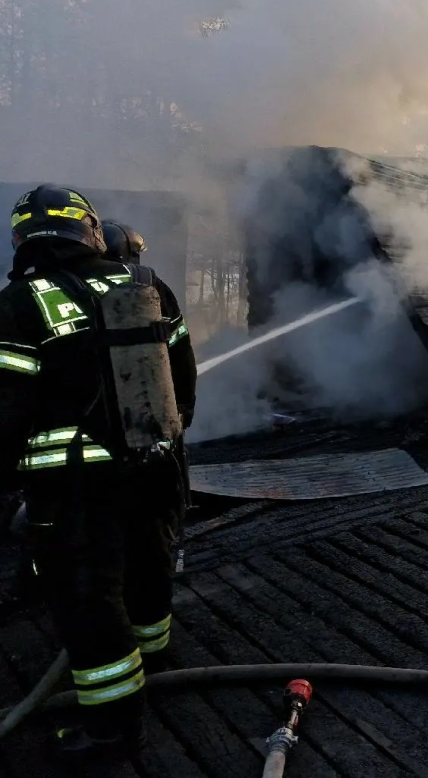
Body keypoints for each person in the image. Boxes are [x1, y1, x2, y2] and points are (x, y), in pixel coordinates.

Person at [0, 185, 196, 760]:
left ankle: (112, 727)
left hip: (76, 485)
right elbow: (182, 375)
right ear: (87, 229)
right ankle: (153, 658)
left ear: (21, 239)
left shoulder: (18, 303)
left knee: (88, 596)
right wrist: (170, 437)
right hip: (155, 463)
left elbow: (7, 409)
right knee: (148, 563)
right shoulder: (146, 284)